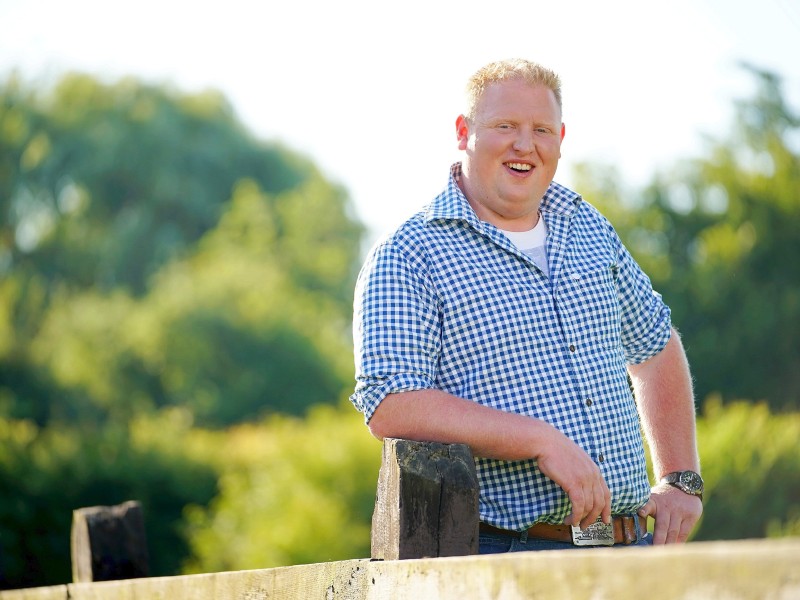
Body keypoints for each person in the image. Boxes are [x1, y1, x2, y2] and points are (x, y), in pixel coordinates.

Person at [350, 58, 703, 552]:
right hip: (510, 553)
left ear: (560, 137)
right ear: (463, 131)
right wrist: (538, 439)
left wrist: (680, 478)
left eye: (541, 129)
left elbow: (654, 342)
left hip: (632, 550)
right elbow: (392, 403)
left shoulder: (588, 226)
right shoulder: (410, 253)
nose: (524, 145)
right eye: (505, 126)